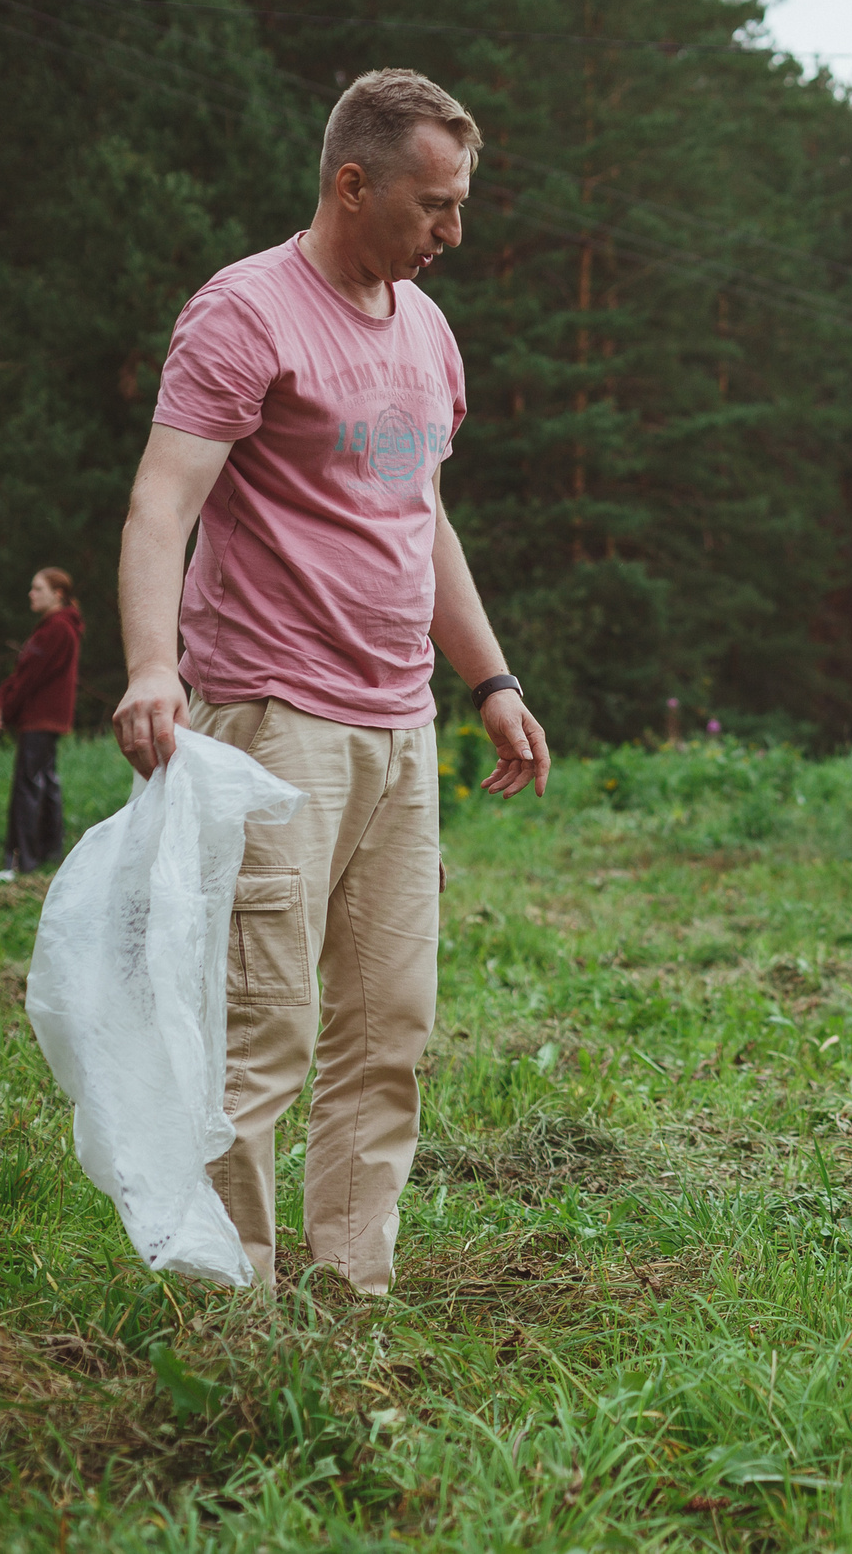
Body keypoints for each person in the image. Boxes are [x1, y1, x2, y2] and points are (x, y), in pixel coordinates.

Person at [110, 68, 550, 1295]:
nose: (452, 232)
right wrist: (153, 668)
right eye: (433, 204)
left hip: (399, 727)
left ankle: (350, 1288)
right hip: (271, 721)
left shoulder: (426, 328)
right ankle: (233, 1304)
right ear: (351, 184)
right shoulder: (244, 314)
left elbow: (424, 520)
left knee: (385, 1031)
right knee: (263, 1033)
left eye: (460, 205)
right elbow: (163, 501)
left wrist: (491, 679)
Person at [0, 567, 84, 881]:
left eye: (37, 588)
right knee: (45, 783)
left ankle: (19, 860)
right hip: (47, 719)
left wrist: (4, 707)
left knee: (27, 786)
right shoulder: (56, 627)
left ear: (58, 594)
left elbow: (28, 677)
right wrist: (3, 700)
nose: (31, 593)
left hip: (40, 719)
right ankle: (47, 852)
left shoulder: (56, 629)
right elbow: (25, 673)